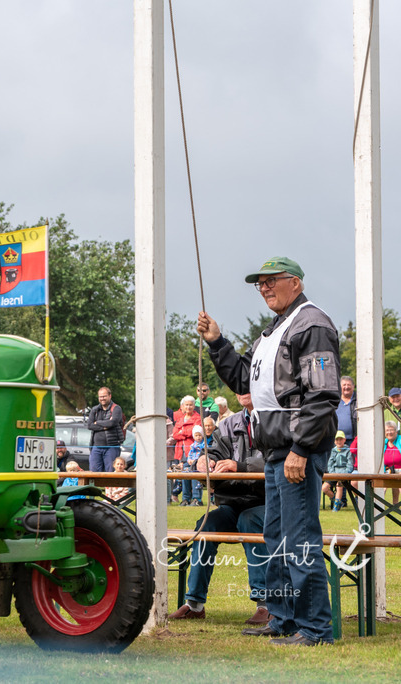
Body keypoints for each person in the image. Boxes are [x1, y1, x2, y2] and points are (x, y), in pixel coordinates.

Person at [197, 256, 340, 646]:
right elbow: (244, 378)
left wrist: (302, 448)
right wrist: (217, 342)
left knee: (299, 539)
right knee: (275, 537)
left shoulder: (311, 324)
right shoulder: (273, 331)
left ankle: (314, 629)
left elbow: (324, 393)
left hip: (297, 450)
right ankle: (284, 618)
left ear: (295, 282)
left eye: (272, 281)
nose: (264, 288)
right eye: (259, 284)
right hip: (277, 450)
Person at [169, 393, 269, 626]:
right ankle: (194, 604)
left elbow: (279, 460)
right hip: (233, 504)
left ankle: (266, 604)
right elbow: (212, 451)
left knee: (248, 520)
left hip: (270, 504)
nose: (243, 391)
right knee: (207, 524)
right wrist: (205, 460)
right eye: (239, 387)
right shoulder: (226, 425)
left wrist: (240, 466)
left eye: (248, 385)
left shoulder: (274, 420)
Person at [86, 387, 124, 471]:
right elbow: (89, 425)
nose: (102, 398)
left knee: (110, 473)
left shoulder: (116, 408)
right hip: (95, 447)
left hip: (112, 447)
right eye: (100, 396)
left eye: (104, 396)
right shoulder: (95, 410)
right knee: (94, 473)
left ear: (110, 396)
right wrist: (105, 426)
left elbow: (112, 422)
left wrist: (97, 422)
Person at [171, 396, 202, 479]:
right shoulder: (180, 419)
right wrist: (186, 433)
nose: (188, 407)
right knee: (183, 479)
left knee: (194, 478)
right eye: (186, 405)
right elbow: (175, 435)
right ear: (183, 406)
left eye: (190, 405)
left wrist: (182, 432)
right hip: (180, 452)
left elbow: (195, 432)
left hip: (192, 452)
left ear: (194, 406)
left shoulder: (198, 418)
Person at [323, 430, 353, 512]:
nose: (339, 441)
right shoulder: (333, 451)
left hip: (343, 474)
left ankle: (336, 507)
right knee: (324, 488)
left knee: (339, 486)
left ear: (344, 440)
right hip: (333, 474)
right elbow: (330, 464)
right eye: (337, 440)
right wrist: (333, 473)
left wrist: (343, 474)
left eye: (341, 439)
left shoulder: (348, 451)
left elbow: (349, 465)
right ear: (334, 441)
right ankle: (338, 501)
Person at [182, 425, 206, 506]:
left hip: (199, 465)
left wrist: (196, 461)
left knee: (195, 474)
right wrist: (189, 460)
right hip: (191, 464)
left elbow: (203, 455)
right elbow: (190, 454)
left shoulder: (204, 445)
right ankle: (185, 498)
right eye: (196, 435)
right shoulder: (192, 445)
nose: (198, 437)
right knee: (185, 472)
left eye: (200, 435)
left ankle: (197, 498)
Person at [335, 376, 357, 448]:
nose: (346, 387)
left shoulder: (358, 400)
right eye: (344, 385)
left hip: (353, 440)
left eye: (349, 385)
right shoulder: (335, 400)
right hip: (336, 440)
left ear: (353, 386)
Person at [383, 421, 401, 506]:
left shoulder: (400, 440)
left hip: (400, 469)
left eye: (391, 430)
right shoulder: (384, 443)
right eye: (387, 430)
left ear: (396, 431)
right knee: (381, 485)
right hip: (387, 470)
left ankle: (395, 504)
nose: (389, 432)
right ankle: (378, 506)